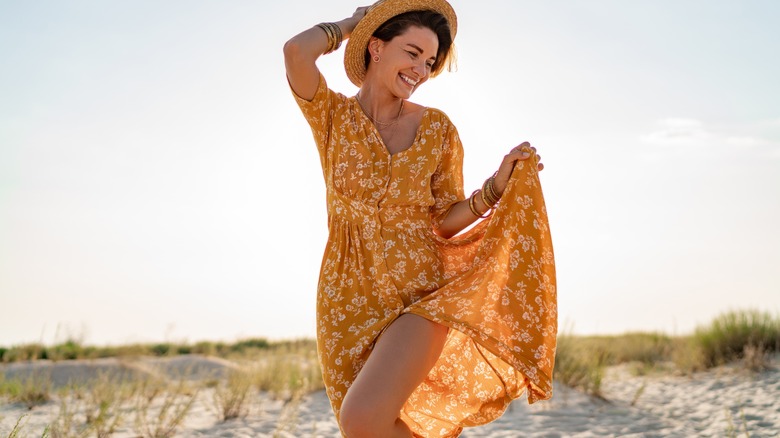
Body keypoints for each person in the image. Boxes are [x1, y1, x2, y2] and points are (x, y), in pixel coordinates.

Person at [284, 0, 557, 436]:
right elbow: (297, 52)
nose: (421, 70)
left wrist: (495, 188)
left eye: (429, 62)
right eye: (412, 53)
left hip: (420, 295)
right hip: (344, 299)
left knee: (360, 419)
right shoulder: (332, 118)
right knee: (374, 428)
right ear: (376, 47)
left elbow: (444, 220)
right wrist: (355, 23)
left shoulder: (438, 130)